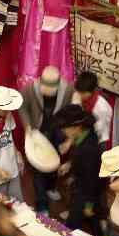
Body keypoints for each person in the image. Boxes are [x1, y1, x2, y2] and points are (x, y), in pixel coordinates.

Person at [19, 65, 74, 214]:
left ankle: (51, 186)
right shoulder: (30, 89)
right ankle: (41, 204)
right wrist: (27, 125)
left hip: (57, 131)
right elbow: (22, 107)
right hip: (38, 131)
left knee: (55, 162)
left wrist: (68, 136)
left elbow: (71, 111)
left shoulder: (68, 90)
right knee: (38, 168)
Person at [55, 105, 103, 236]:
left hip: (86, 192)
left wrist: (89, 205)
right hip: (82, 185)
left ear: (76, 127)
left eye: (65, 128)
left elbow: (92, 180)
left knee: (72, 225)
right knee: (94, 223)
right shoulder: (84, 134)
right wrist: (70, 165)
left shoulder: (89, 148)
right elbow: (80, 159)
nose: (63, 131)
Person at [71, 71, 113, 153]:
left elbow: (98, 131)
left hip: (97, 142)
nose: (79, 95)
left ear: (90, 91)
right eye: (79, 92)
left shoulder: (101, 107)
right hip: (81, 137)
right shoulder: (80, 97)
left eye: (82, 93)